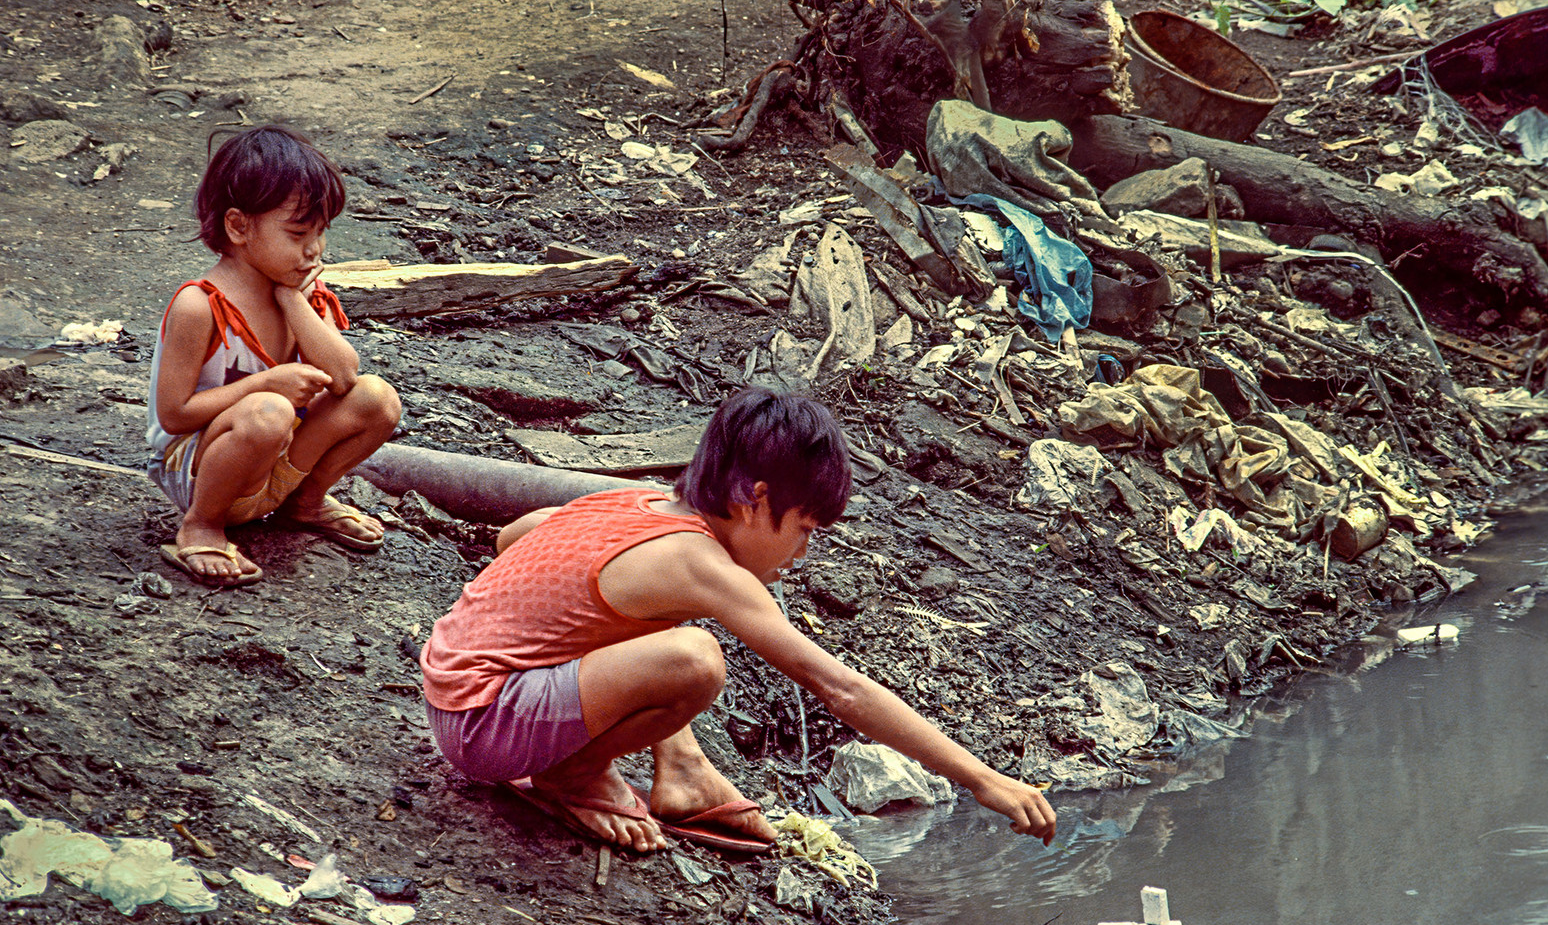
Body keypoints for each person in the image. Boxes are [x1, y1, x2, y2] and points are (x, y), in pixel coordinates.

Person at [420, 386, 1056, 854]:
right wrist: (982, 779)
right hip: (482, 727)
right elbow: (839, 687)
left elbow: (517, 535)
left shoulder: (632, 501)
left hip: (456, 689)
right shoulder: (700, 564)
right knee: (693, 658)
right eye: (802, 528)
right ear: (754, 500)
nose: (802, 552)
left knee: (654, 620)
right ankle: (570, 772)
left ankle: (682, 772)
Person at [145, 124, 401, 587]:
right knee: (270, 409)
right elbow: (174, 415)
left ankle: (303, 503)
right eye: (299, 232)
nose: (314, 249)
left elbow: (344, 377)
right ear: (239, 226)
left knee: (377, 398)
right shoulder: (199, 305)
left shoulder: (301, 291)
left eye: (322, 232)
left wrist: (291, 301)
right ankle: (202, 525)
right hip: (202, 468)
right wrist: (263, 383)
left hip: (278, 456)